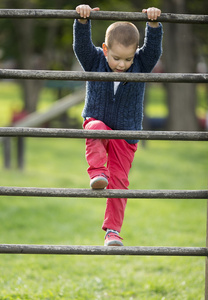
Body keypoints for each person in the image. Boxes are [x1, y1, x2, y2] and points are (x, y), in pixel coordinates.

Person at [73, 4, 163, 246]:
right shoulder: (94, 60)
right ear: (105, 50)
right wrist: (82, 21)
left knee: (120, 181)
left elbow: (153, 50)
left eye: (128, 59)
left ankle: (112, 231)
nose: (122, 65)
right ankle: (97, 173)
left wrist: (153, 24)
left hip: (126, 132)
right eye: (116, 58)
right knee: (96, 128)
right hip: (97, 121)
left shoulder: (141, 65)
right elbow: (80, 46)